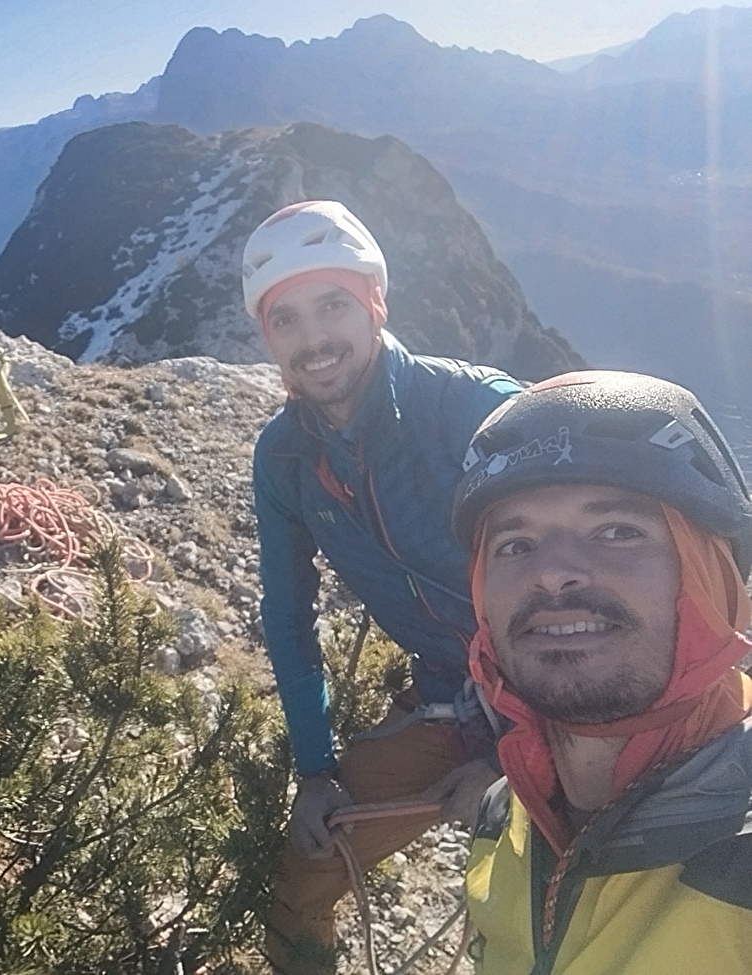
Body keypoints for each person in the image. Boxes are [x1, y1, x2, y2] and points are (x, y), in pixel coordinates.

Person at [245, 200, 521, 973]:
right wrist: (315, 773)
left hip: (566, 700)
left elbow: (584, 587)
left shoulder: (472, 409)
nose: (313, 341)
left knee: (541, 916)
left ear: (375, 303)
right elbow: (289, 617)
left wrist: (518, 755)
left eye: (332, 305)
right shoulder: (286, 459)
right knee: (303, 874)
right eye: (285, 319)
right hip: (453, 695)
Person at [452, 370, 752, 974]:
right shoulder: (503, 817)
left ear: (712, 574)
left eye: (618, 531)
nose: (553, 573)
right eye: (515, 544)